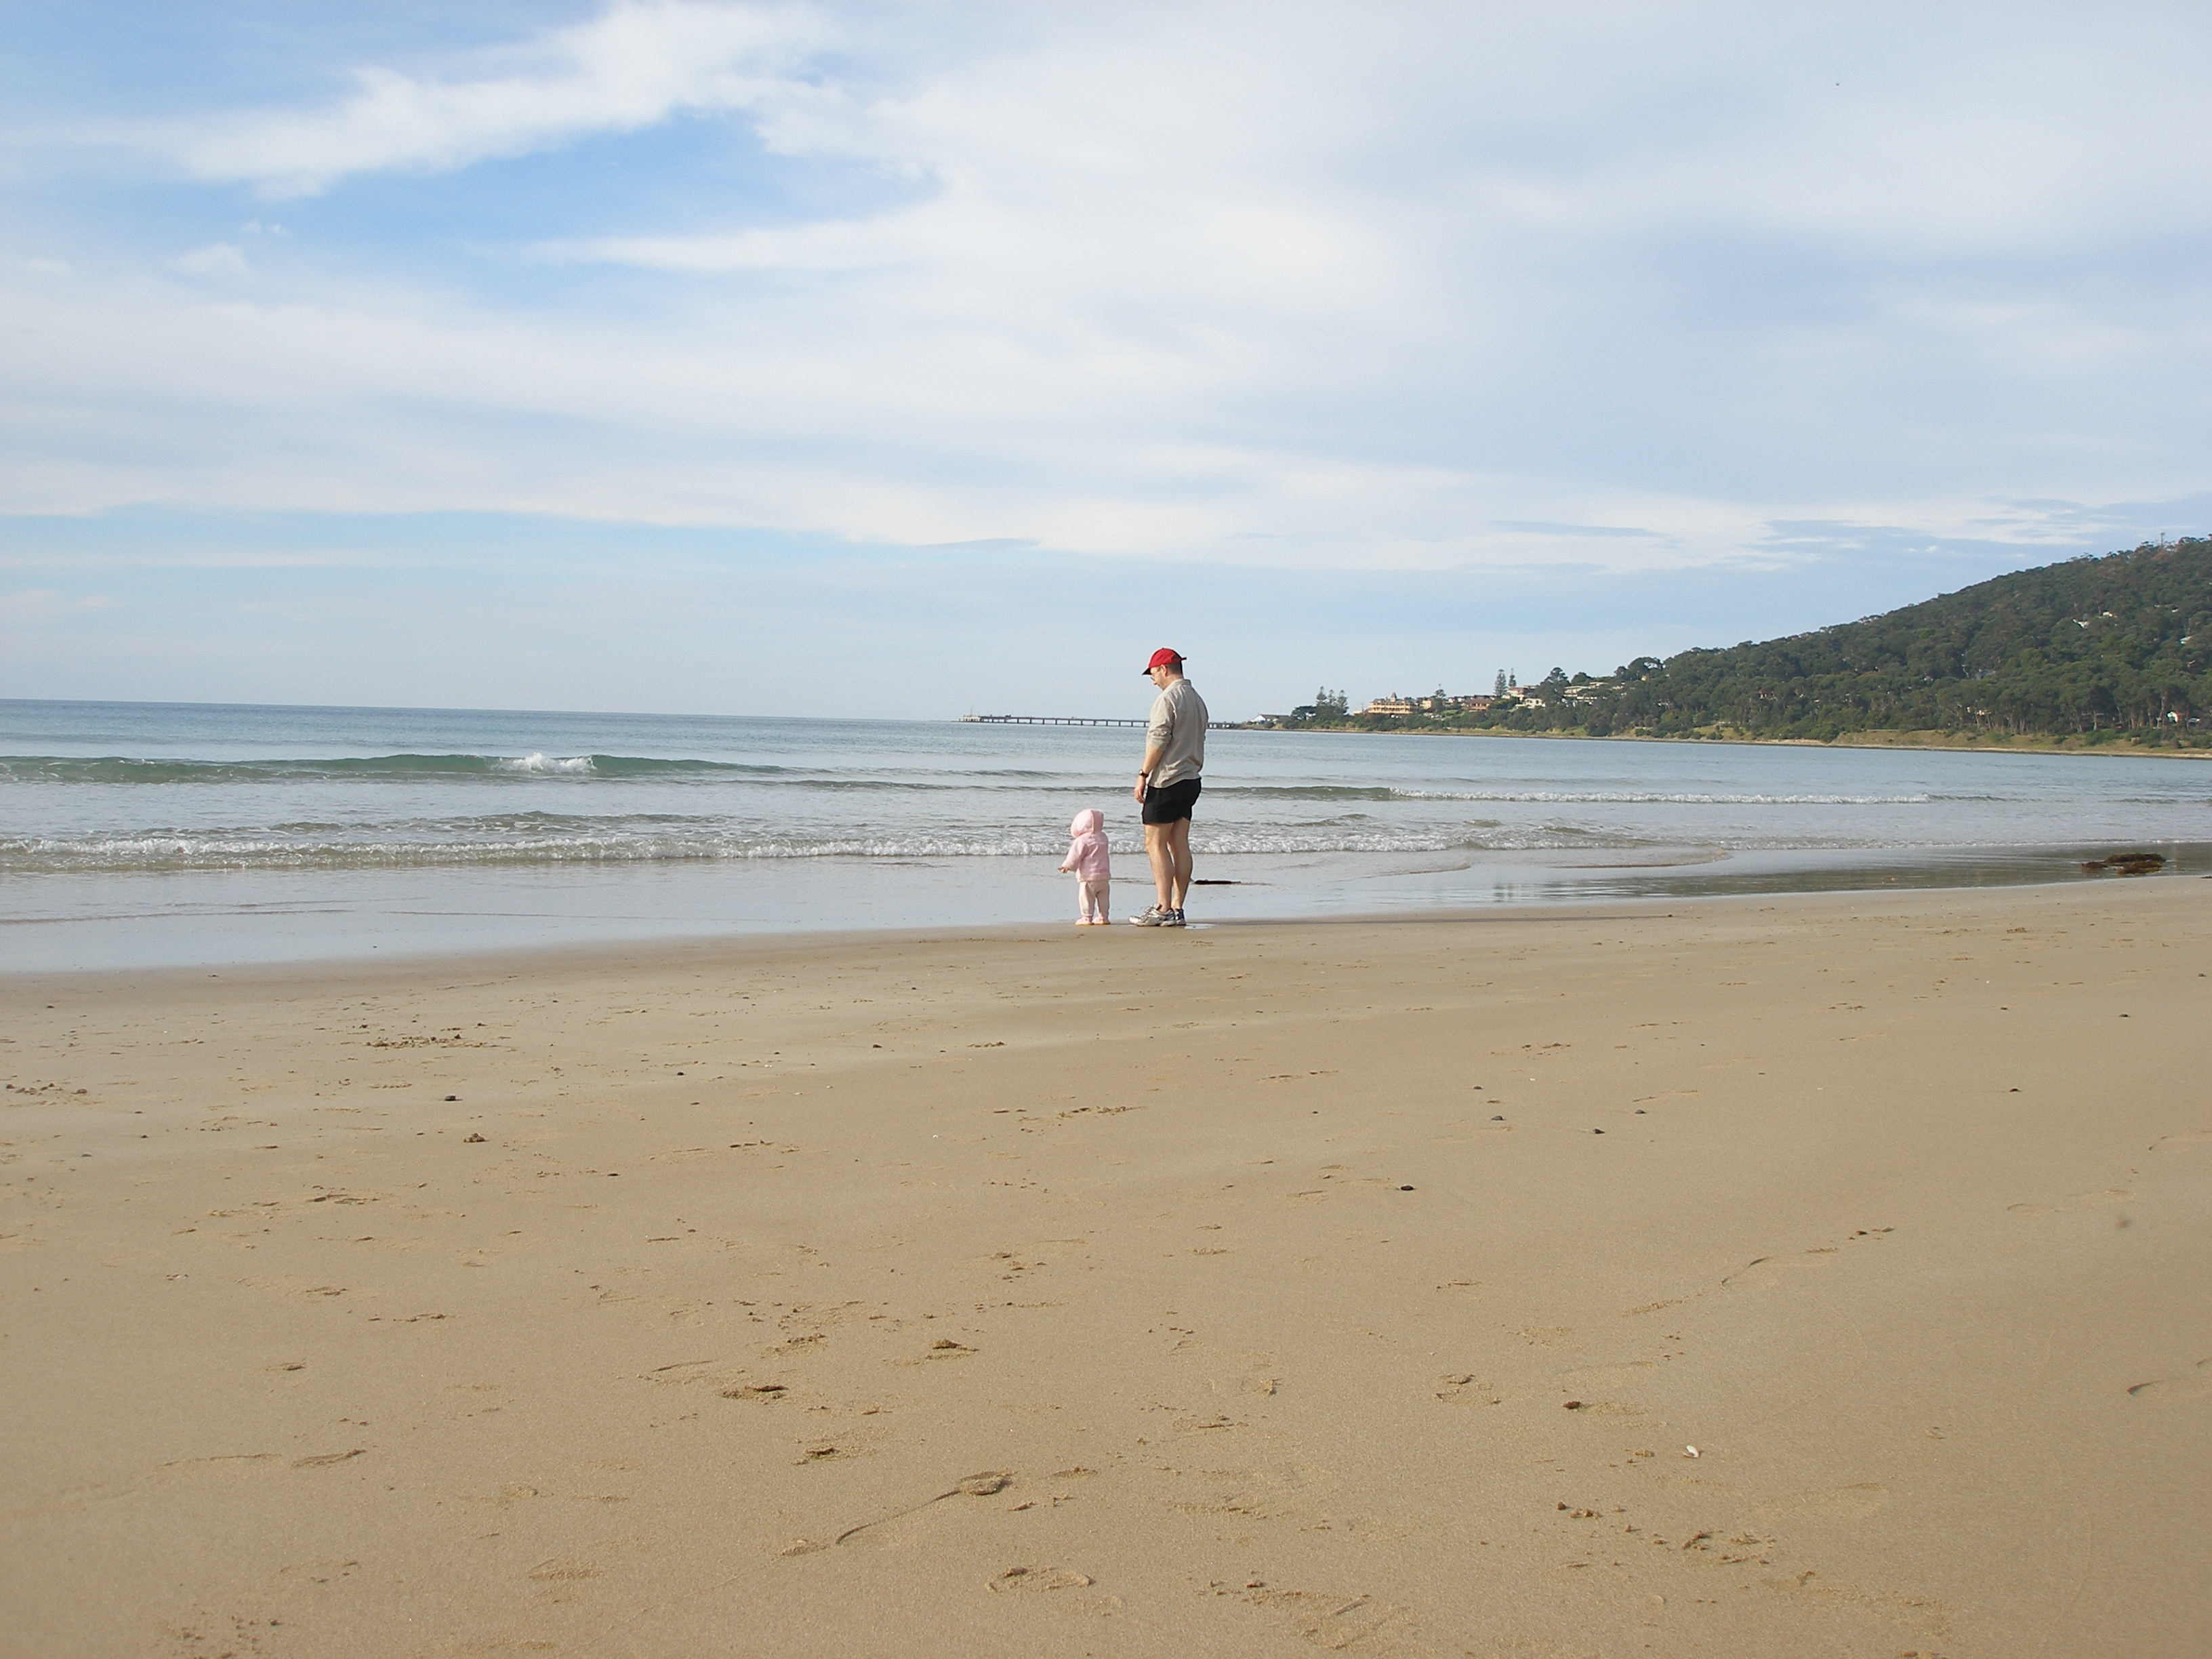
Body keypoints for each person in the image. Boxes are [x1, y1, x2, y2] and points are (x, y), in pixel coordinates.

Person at [1130, 648, 1206, 926]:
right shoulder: (1197, 699)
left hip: (1168, 779)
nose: (1153, 681)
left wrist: (1143, 774)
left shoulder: (1168, 699)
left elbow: (1158, 740)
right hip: (1191, 778)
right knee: (1179, 843)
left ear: (1164, 669)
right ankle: (1177, 908)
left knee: (1154, 843)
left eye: (1152, 674)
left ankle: (1162, 907)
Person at [1058, 806, 1112, 924]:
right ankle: (1104, 917)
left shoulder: (1082, 840)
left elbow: (1075, 855)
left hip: (1089, 876)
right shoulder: (1103, 837)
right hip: (1104, 875)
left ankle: (1087, 918)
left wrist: (1068, 865)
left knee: (1086, 898)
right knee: (1103, 898)